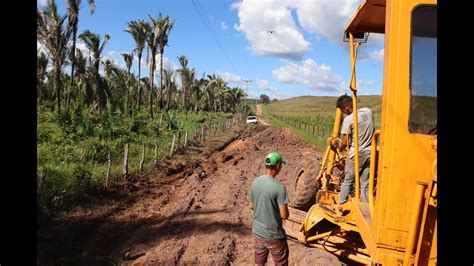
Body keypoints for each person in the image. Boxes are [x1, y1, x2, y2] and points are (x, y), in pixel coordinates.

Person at [332, 94, 375, 206]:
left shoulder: (349, 119)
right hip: (371, 153)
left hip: (357, 154)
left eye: (343, 110)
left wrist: (339, 147)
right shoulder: (368, 112)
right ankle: (366, 207)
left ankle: (341, 205)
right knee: (365, 185)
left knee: (347, 181)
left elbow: (346, 141)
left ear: (346, 108)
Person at [249, 152, 289, 266]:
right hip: (274, 235)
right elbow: (284, 215)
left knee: (259, 262)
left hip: (257, 232)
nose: (281, 167)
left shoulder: (256, 182)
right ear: (277, 166)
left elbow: (251, 206)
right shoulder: (279, 187)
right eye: (281, 165)